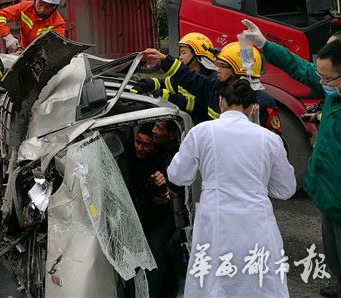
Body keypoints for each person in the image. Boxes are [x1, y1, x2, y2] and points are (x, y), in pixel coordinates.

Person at [167, 80, 296, 297]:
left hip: (215, 221)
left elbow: (178, 176)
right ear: (254, 108)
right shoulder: (270, 139)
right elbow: (286, 189)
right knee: (259, 282)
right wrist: (258, 185)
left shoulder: (202, 132)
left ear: (221, 102)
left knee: (212, 282)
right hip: (256, 223)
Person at [242, 19, 341, 298]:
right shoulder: (333, 93)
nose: (321, 83)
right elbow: (300, 68)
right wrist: (264, 45)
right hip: (327, 192)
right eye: (320, 77)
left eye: (327, 78)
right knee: (332, 247)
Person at [141, 42, 282, 133]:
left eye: (222, 65)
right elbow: (191, 78)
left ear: (238, 70)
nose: (217, 69)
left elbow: (275, 145)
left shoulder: (264, 103)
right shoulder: (215, 86)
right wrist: (165, 59)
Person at [130, 122, 180, 298]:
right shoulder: (129, 159)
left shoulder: (160, 165)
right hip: (138, 215)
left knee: (157, 248)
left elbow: (166, 196)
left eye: (146, 145)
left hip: (161, 217)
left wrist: (161, 188)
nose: (140, 148)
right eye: (138, 142)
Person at [133, 32, 218, 124]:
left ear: (198, 54)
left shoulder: (210, 79)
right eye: (180, 53)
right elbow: (166, 83)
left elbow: (199, 107)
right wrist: (145, 84)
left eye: (184, 53)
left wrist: (170, 97)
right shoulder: (185, 77)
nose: (180, 57)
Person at [0, 0, 66, 52]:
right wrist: (8, 37)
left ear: (54, 8)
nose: (42, 9)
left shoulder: (58, 24)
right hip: (23, 51)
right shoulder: (25, 7)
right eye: (40, 4)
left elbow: (54, 48)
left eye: (47, 7)